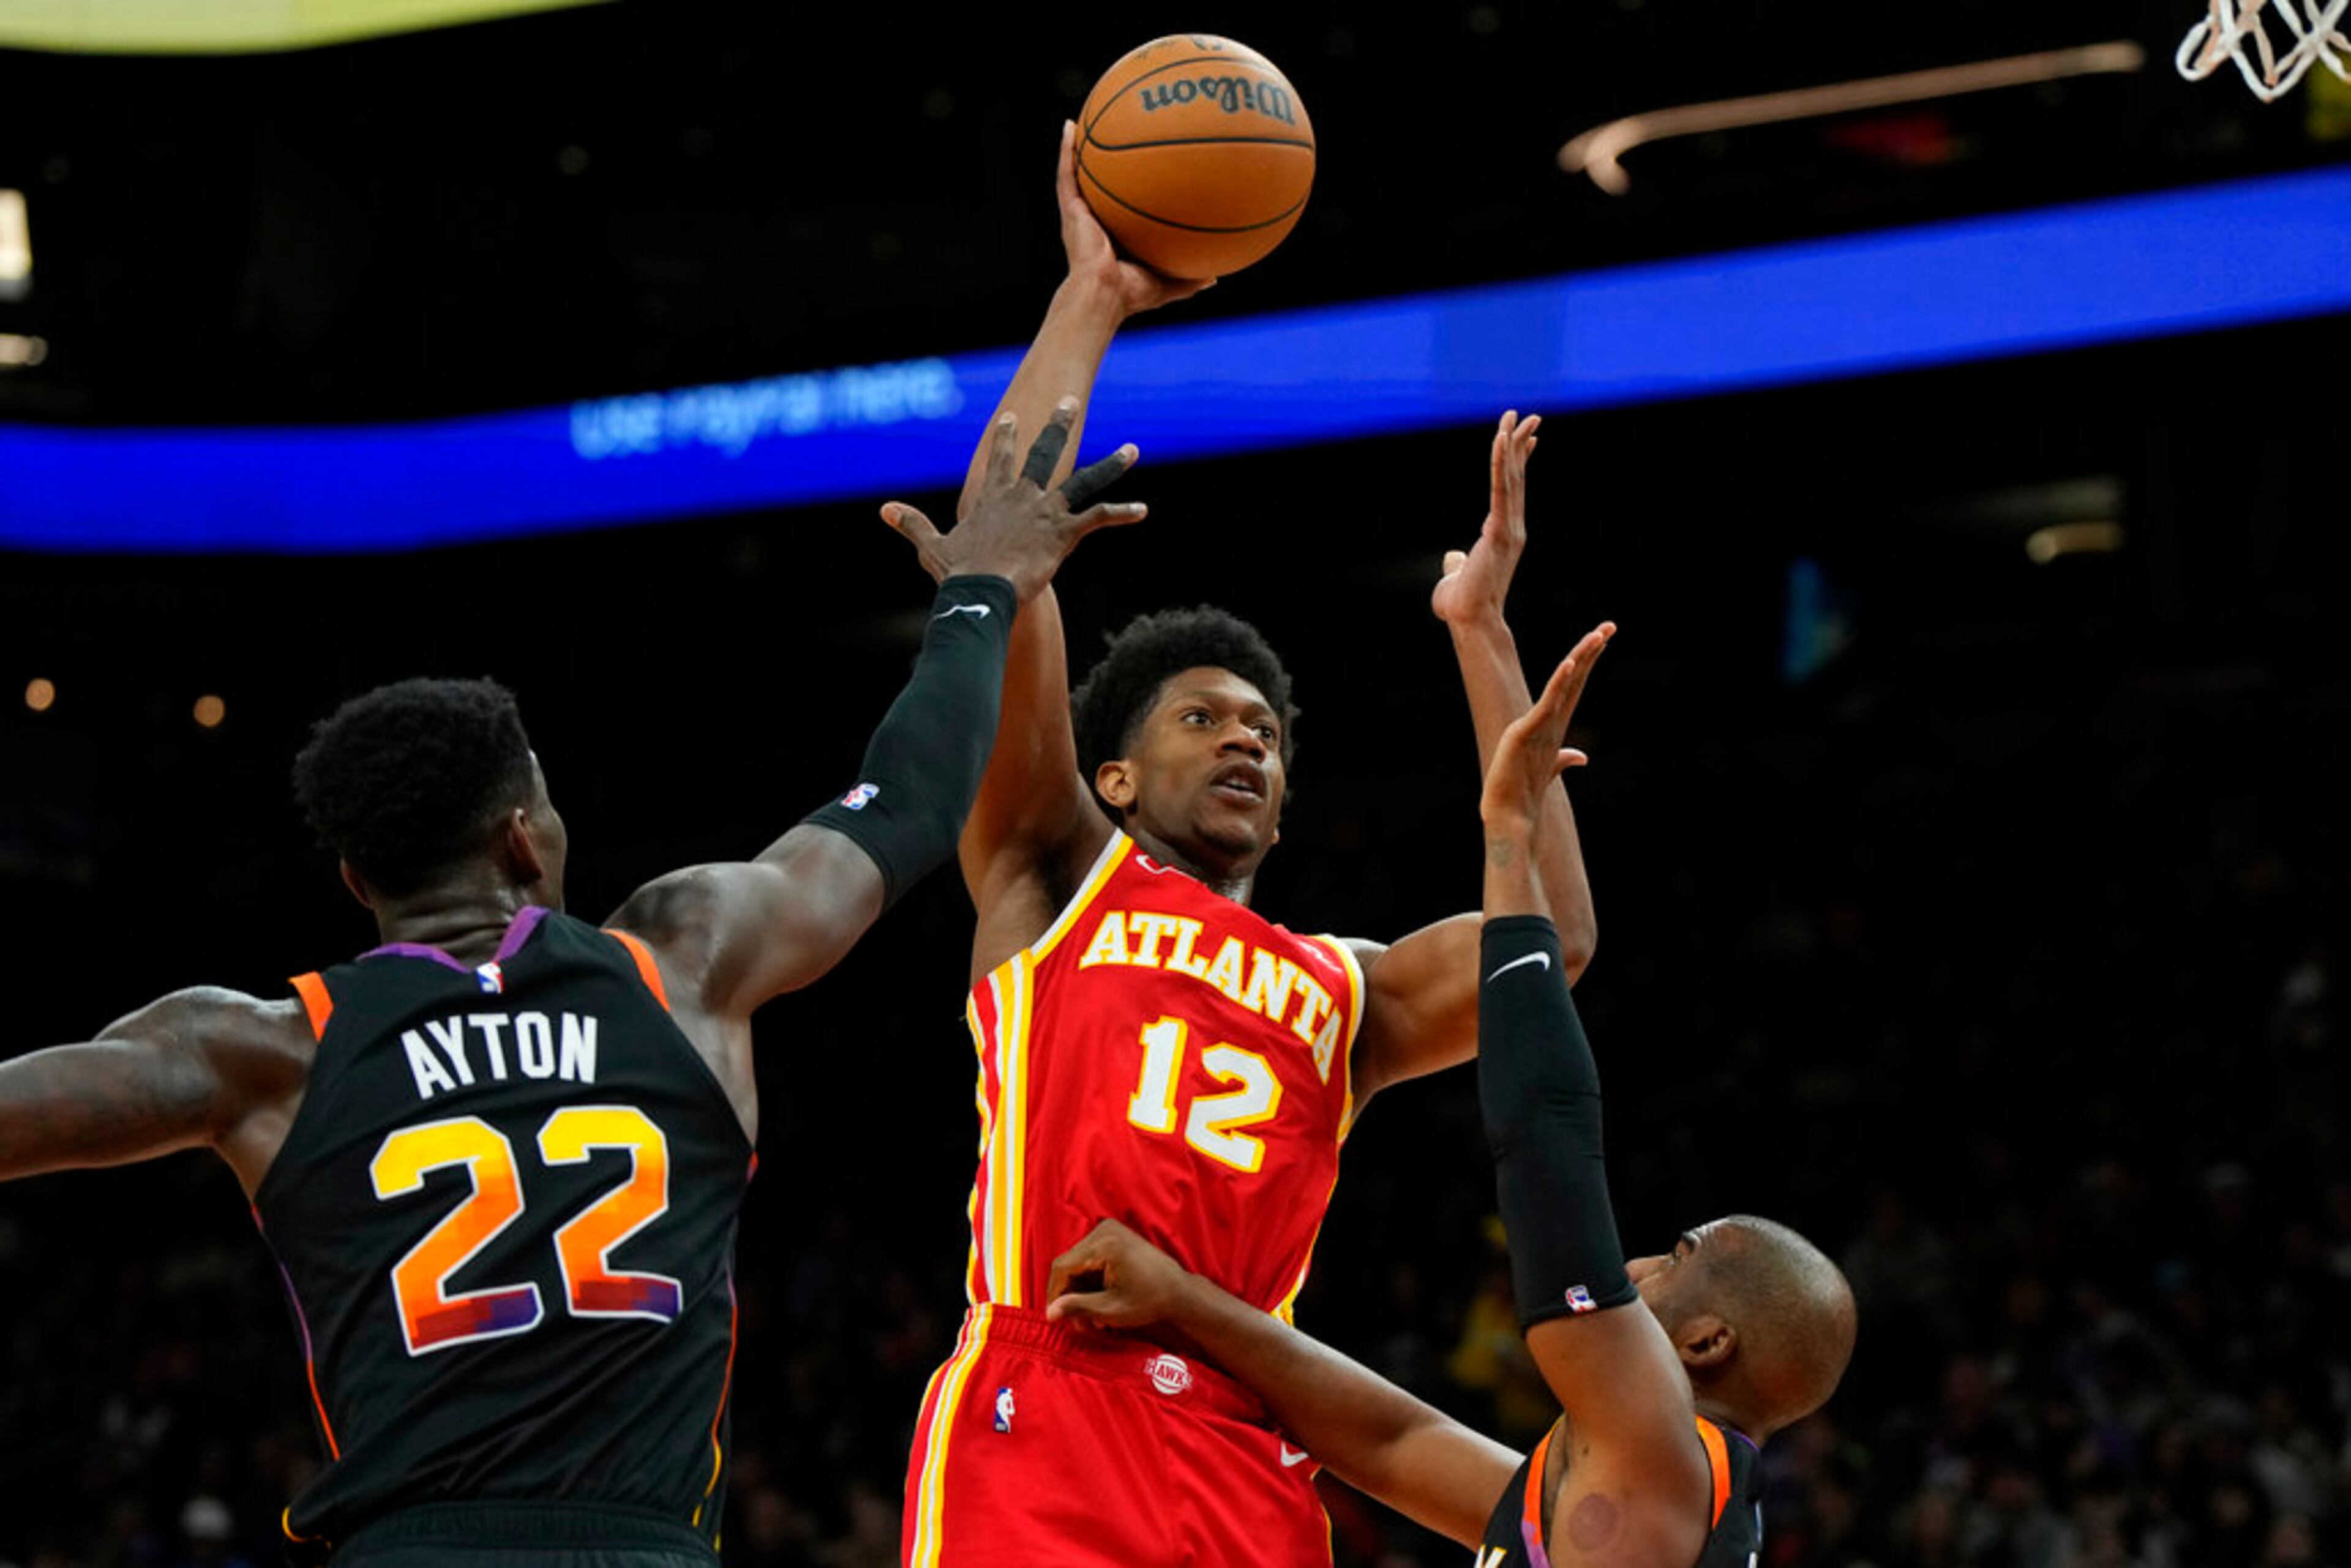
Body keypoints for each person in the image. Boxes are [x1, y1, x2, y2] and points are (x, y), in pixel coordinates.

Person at [0, 406, 1142, 1568]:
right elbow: (903, 802)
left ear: (358, 877)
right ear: (521, 840)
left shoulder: (268, 1049)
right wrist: (981, 590)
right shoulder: (682, 960)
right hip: (643, 1548)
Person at [893, 122, 1613, 1568]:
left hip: (1250, 1436)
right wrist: (1090, 300)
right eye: (1204, 718)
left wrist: (1480, 636)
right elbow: (1001, 538)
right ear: (1110, 769)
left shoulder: (1339, 989)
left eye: (1267, 734)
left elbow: (1556, 955)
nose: (1246, 740)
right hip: (1048, 1403)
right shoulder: (1054, 876)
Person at [1042, 647, 1860, 1567]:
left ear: (1710, 1341)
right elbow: (1385, 1439)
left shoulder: (1658, 1444)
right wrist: (1478, 629)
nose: (1638, 1260)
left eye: (1679, 1255)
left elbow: (1546, 1135)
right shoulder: (1617, 1483)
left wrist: (1508, 827)